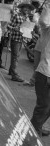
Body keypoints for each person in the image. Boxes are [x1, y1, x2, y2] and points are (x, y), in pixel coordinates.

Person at [30, 3, 50, 137]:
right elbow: (44, 21)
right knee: (43, 106)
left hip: (43, 71)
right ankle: (31, 135)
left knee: (46, 107)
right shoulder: (46, 29)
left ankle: (36, 127)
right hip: (46, 72)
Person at [7, 2, 35, 82]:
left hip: (21, 39)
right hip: (15, 38)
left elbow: (28, 28)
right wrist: (15, 28)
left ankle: (11, 71)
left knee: (16, 56)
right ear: (21, 8)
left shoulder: (27, 18)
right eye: (25, 8)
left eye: (28, 8)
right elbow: (9, 25)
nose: (27, 9)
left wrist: (31, 32)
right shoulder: (16, 15)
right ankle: (14, 75)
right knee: (15, 56)